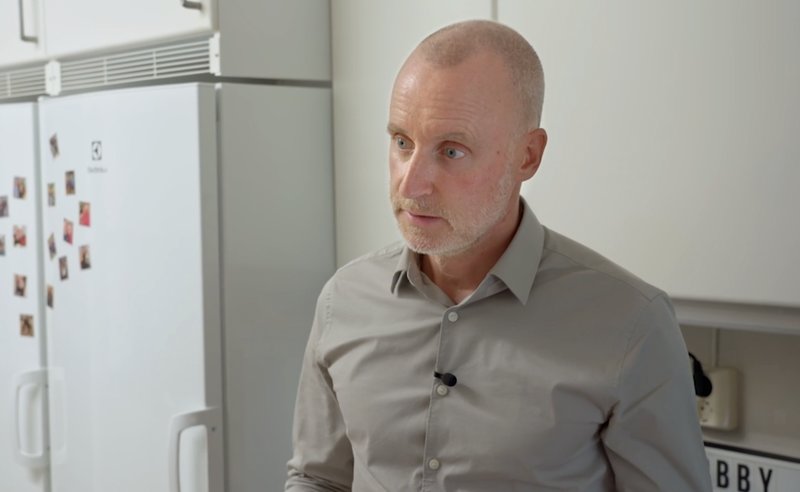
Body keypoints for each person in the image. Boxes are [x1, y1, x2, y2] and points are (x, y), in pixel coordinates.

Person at [286, 20, 711, 491]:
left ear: (527, 156)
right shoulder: (343, 300)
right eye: (402, 142)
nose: (412, 184)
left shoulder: (632, 325)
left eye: (451, 151)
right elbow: (318, 479)